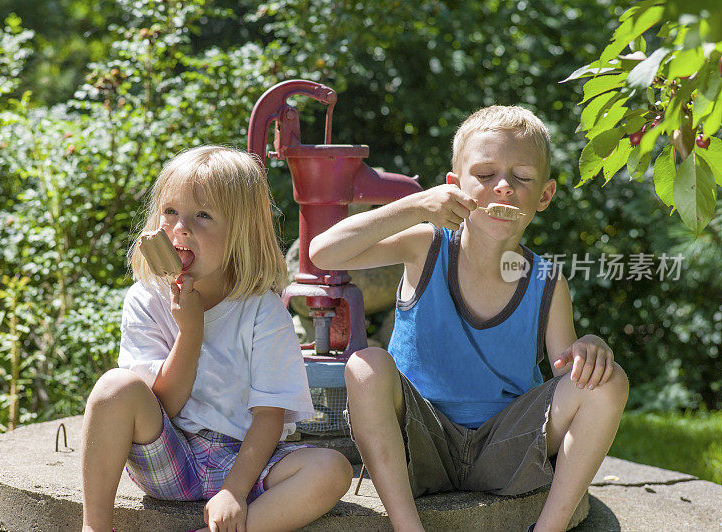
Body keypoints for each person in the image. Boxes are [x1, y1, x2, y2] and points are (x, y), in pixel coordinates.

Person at [309, 106, 629, 532]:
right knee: (365, 365)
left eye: (523, 177)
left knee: (607, 383)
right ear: (453, 186)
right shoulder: (426, 247)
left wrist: (591, 347)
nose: (503, 187)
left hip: (507, 449)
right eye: (485, 174)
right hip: (420, 442)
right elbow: (323, 252)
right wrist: (416, 207)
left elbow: (568, 373)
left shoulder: (547, 281)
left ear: (546, 195)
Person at [81, 146, 353, 532]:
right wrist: (190, 332)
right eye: (170, 212)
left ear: (240, 234)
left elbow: (269, 415)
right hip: (168, 452)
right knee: (114, 386)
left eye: (203, 215)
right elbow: (165, 407)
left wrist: (234, 491)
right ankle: (95, 526)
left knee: (331, 469)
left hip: (243, 457)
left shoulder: (262, 310)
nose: (180, 228)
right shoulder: (146, 298)